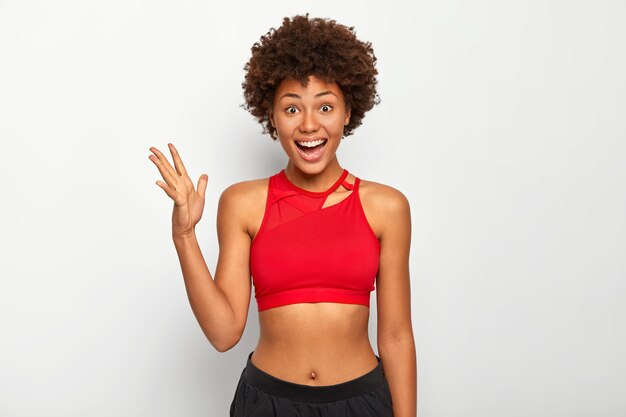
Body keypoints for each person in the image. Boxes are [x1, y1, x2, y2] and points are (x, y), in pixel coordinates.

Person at [149, 14, 416, 417]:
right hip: (266, 403)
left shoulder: (387, 207)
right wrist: (184, 236)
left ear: (348, 112)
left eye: (325, 106)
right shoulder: (243, 203)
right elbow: (224, 333)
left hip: (362, 402)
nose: (309, 124)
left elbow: (396, 337)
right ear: (271, 117)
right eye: (292, 109)